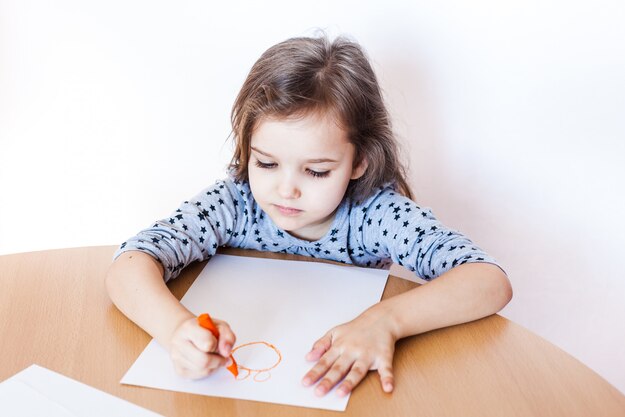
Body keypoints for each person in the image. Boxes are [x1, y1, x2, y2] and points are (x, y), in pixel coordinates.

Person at [105, 34, 512, 398]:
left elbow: (488, 280)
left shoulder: (375, 214)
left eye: (316, 171)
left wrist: (386, 320)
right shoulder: (235, 203)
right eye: (265, 163)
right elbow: (129, 264)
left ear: (360, 162)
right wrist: (176, 330)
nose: (286, 190)